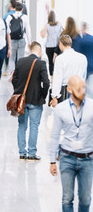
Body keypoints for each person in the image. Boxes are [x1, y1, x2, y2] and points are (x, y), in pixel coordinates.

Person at [48, 75, 92, 212]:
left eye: (83, 87)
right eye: (78, 88)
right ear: (69, 89)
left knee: (85, 198)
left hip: (88, 159)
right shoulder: (61, 109)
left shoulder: (91, 106)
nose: (82, 91)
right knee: (67, 198)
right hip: (67, 157)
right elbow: (54, 135)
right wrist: (52, 161)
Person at [11, 42, 49, 160]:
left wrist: (19, 91)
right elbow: (46, 83)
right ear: (39, 51)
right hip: (36, 101)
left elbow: (14, 79)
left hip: (21, 100)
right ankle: (32, 153)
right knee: (34, 126)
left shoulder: (20, 61)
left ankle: (22, 153)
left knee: (22, 126)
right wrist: (42, 94)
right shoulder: (41, 63)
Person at [50, 35, 87, 107]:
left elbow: (57, 79)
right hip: (79, 90)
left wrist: (54, 97)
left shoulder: (60, 59)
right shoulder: (82, 57)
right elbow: (84, 76)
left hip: (65, 92)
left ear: (60, 43)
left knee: (65, 115)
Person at [5, 3, 32, 75]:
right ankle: (19, 73)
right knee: (20, 58)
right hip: (21, 39)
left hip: (12, 40)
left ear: (15, 9)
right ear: (22, 9)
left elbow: (7, 30)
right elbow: (28, 30)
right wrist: (29, 42)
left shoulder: (9, 17)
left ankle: (12, 73)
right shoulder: (25, 17)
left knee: (12, 58)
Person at [40, 10, 63, 76]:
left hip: (48, 46)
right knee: (57, 62)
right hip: (57, 46)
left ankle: (52, 77)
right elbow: (62, 33)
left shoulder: (47, 25)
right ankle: (57, 75)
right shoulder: (59, 24)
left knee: (50, 62)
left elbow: (42, 35)